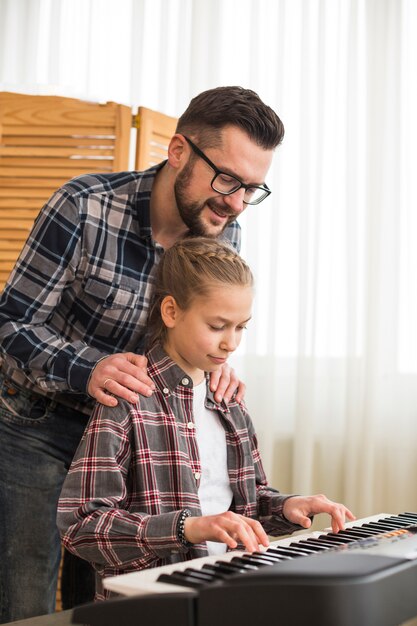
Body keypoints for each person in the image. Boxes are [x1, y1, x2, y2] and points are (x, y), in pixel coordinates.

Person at [0, 86, 284, 623]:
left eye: (252, 188)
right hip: (35, 427)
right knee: (25, 602)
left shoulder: (226, 232)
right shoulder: (83, 207)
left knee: (108, 599)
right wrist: (89, 369)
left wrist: (217, 366)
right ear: (178, 151)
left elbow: (195, 328)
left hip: (129, 441)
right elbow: (10, 322)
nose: (236, 203)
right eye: (226, 180)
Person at [57, 237, 355, 600]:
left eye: (241, 327)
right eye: (217, 326)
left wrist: (288, 507)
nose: (231, 343)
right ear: (171, 312)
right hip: (151, 609)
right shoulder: (129, 401)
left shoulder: (229, 402)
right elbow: (81, 528)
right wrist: (187, 529)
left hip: (226, 597)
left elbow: (246, 503)